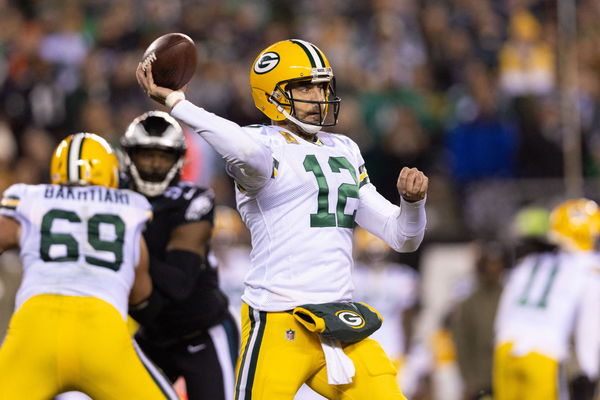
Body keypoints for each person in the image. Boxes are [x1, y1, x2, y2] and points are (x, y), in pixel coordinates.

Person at [137, 38, 428, 399]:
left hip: (340, 321)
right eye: (305, 87)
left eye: (323, 87)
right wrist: (178, 103)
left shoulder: (345, 149)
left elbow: (403, 237)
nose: (319, 98)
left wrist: (413, 203)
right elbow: (242, 148)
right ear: (271, 95)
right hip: (280, 319)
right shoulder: (262, 145)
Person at [0, 133, 178, 400]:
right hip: (101, 329)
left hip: (35, 327)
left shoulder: (31, 198)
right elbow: (140, 293)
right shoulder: (132, 208)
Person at [120, 110, 239, 400]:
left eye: (163, 156)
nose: (154, 165)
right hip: (153, 335)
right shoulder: (115, 195)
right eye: (146, 155)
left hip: (202, 331)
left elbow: (179, 283)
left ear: (179, 160)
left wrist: (127, 245)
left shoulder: (194, 199)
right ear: (130, 156)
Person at [493, 199, 600, 400]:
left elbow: (505, 309)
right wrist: (588, 371)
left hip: (505, 347)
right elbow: (589, 328)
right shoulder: (589, 270)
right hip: (543, 351)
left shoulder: (530, 262)